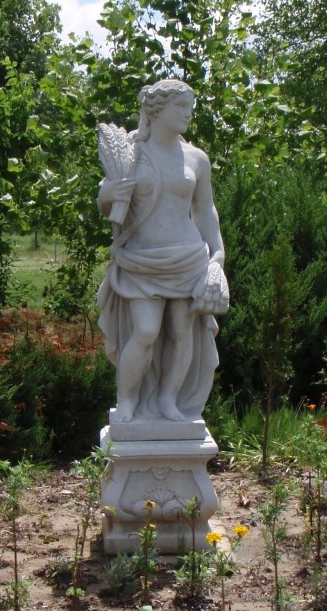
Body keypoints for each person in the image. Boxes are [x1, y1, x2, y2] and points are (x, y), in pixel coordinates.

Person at [96, 79, 228, 425]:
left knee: (182, 332)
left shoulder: (196, 158)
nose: (188, 114)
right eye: (180, 106)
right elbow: (106, 197)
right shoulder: (131, 151)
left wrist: (218, 253)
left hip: (188, 259)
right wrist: (108, 193)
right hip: (142, 260)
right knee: (145, 331)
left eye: (190, 107)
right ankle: (128, 401)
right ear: (157, 109)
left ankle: (169, 399)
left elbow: (205, 210)